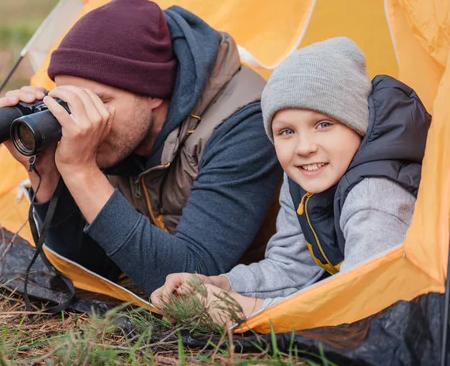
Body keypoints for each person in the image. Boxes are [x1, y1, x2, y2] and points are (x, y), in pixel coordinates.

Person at [0, 0, 282, 295]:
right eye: (67, 101)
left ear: (154, 92)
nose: (86, 119)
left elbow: (190, 280)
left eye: (99, 101)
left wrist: (81, 170)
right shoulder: (122, 133)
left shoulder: (243, 124)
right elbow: (98, 269)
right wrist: (47, 175)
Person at [150, 37, 431, 321]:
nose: (304, 147)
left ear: (358, 123)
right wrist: (220, 284)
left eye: (324, 124)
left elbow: (363, 308)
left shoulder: (374, 197)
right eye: (286, 132)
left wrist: (242, 309)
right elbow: (289, 267)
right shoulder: (304, 178)